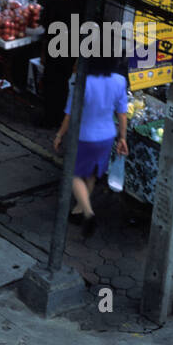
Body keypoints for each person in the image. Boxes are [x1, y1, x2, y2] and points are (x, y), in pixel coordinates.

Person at [52, 52, 129, 237]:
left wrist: (59, 135)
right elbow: (122, 114)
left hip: (84, 135)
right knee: (92, 173)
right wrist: (122, 138)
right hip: (107, 135)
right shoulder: (119, 81)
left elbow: (69, 115)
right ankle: (79, 210)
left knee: (73, 173)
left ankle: (87, 212)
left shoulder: (83, 82)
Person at [40, 0, 88, 129]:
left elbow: (47, 27)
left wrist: (44, 52)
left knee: (51, 84)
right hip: (71, 49)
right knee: (63, 85)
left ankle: (50, 118)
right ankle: (59, 117)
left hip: (56, 48)